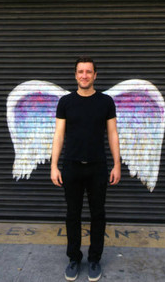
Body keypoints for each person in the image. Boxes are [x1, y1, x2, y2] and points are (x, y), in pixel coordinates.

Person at [51, 56, 121, 281]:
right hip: (71, 166)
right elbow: (59, 135)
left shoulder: (106, 102)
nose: (84, 75)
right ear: (75, 75)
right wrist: (53, 165)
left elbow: (112, 133)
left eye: (88, 72)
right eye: (80, 71)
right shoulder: (65, 102)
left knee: (98, 214)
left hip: (98, 167)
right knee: (73, 215)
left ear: (95, 76)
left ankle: (94, 259)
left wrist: (117, 164)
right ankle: (73, 258)